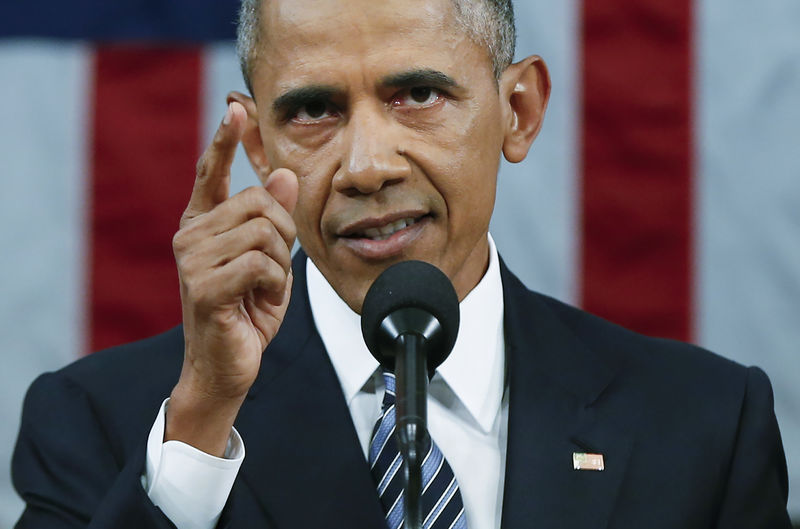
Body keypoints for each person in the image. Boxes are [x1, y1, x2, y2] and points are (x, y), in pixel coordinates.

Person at [12, 0, 793, 527]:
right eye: (314, 110)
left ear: (517, 111)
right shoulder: (106, 427)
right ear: (259, 146)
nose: (366, 165)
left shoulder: (705, 427)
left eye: (417, 93)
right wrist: (201, 427)